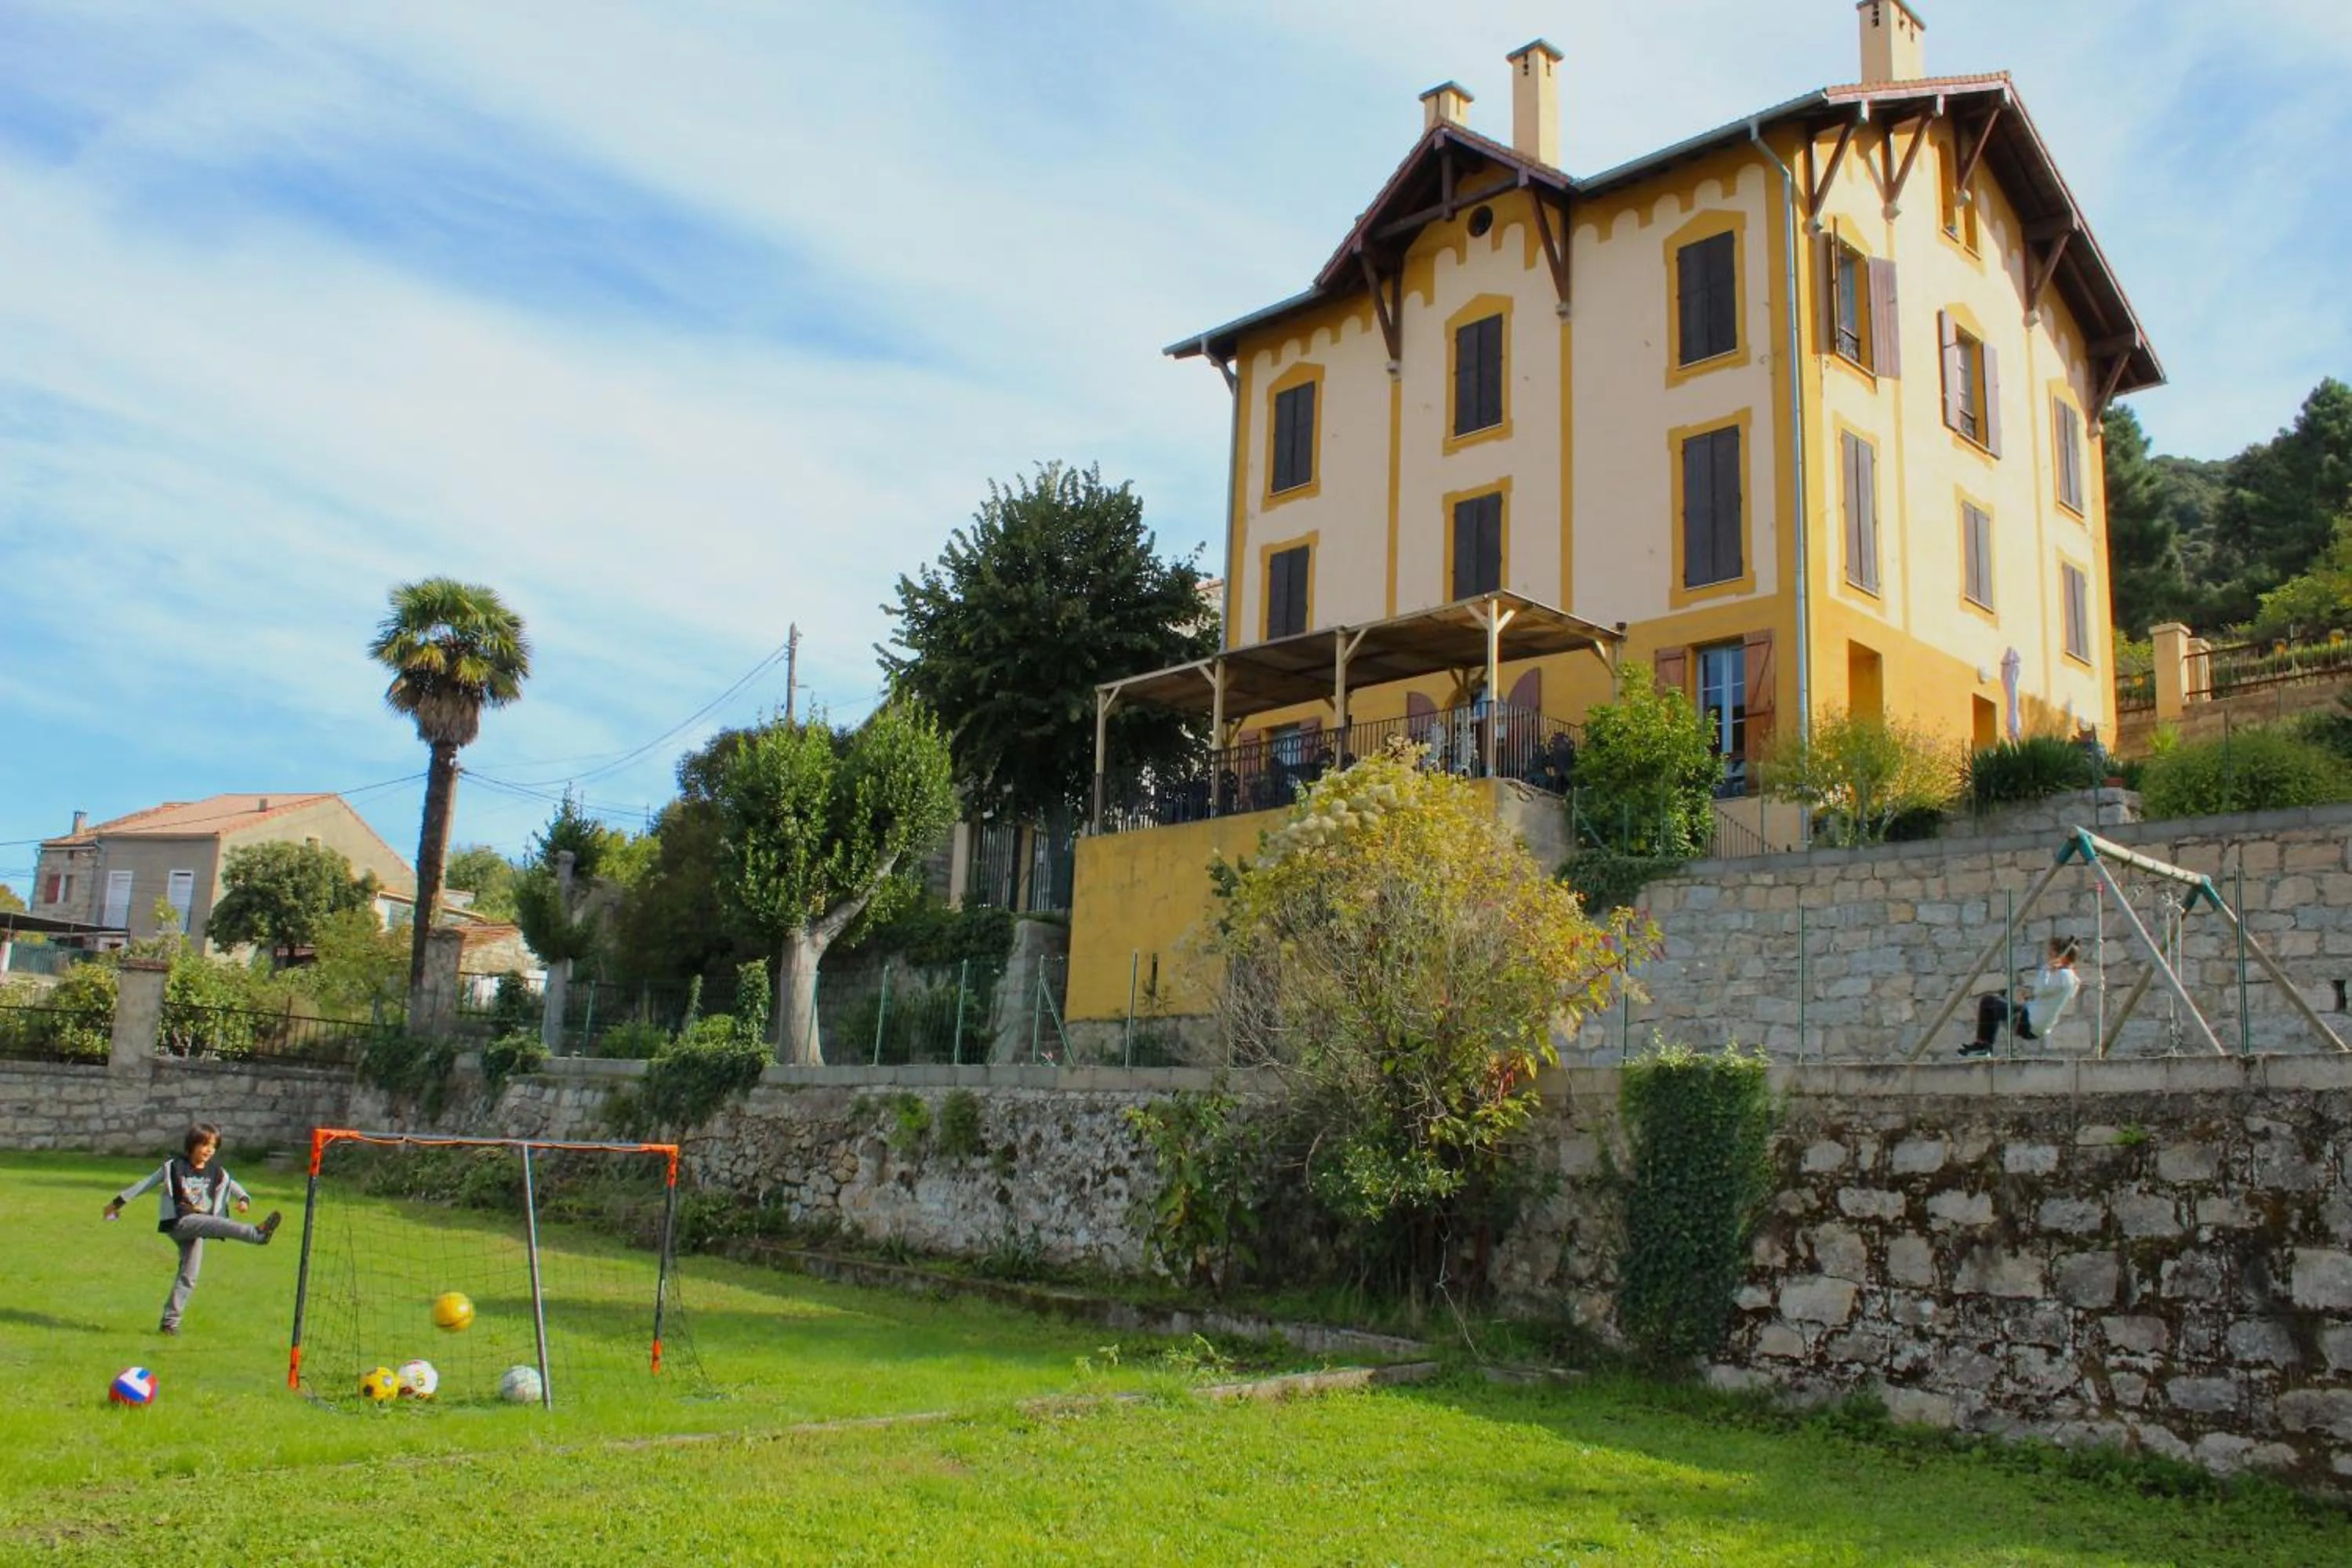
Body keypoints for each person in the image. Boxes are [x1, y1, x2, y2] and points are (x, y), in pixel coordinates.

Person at [103, 1123, 281, 1335]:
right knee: (219, 1224)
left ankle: (170, 1323)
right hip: (180, 1221)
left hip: (198, 1226)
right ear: (192, 1145)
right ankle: (257, 1235)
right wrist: (117, 1203)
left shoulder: (216, 1171)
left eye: (213, 1147)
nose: (209, 1150)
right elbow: (146, 1184)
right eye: (204, 1145)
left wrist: (243, 1198)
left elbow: (231, 1184)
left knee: (189, 1275)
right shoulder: (174, 1166)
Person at [1962, 937, 2082, 1058]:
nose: (2049, 956)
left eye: (2051, 953)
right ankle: (1983, 1046)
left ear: (2059, 955)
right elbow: (2053, 994)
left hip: (2029, 1022)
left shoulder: (2062, 975)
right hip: (2036, 1023)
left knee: (1988, 1001)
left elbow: (2040, 989)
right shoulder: (2071, 978)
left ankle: (1983, 1047)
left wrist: (2047, 968)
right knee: (1996, 1004)